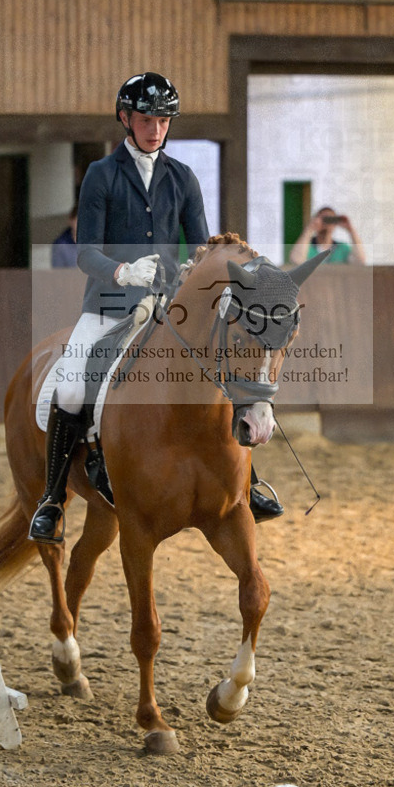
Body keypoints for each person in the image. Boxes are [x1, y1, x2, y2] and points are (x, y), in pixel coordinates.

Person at [29, 72, 284, 544]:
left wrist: (193, 274)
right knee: (72, 386)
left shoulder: (182, 177)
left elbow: (206, 248)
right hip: (109, 305)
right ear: (126, 119)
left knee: (223, 369)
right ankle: (51, 499)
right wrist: (123, 272)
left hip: (169, 309)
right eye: (147, 120)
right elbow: (86, 253)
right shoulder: (102, 175)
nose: (156, 130)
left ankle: (248, 483)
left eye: (163, 121)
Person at [289, 206, 366, 266]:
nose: (327, 222)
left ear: (335, 223)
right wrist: (310, 229)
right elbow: (296, 261)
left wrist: (350, 229)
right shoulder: (307, 247)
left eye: (331, 219)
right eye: (324, 219)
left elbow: (360, 261)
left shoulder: (342, 248)